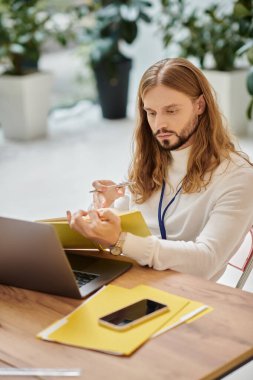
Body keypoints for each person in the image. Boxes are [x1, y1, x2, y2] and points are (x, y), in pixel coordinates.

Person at [67, 58, 253, 281]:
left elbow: (207, 261)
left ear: (200, 106)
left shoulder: (238, 177)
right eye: (151, 113)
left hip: (187, 297)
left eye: (171, 111)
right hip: (132, 279)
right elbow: (124, 227)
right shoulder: (150, 161)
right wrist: (105, 209)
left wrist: (121, 240)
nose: (159, 125)